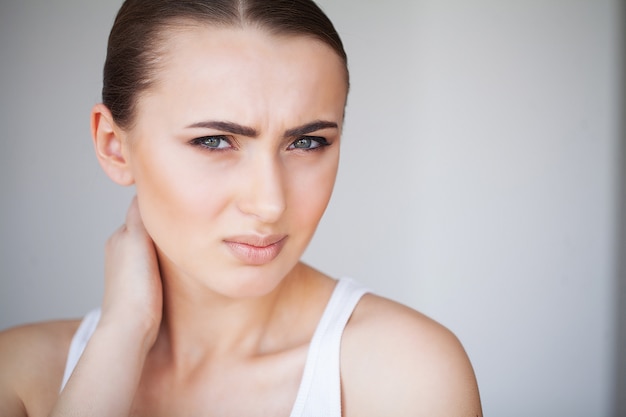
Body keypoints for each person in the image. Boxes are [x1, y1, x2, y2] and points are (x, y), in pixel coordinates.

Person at [0, 0, 482, 415]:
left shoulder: (407, 375)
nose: (269, 203)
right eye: (214, 141)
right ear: (113, 145)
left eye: (308, 142)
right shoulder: (19, 378)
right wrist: (121, 335)